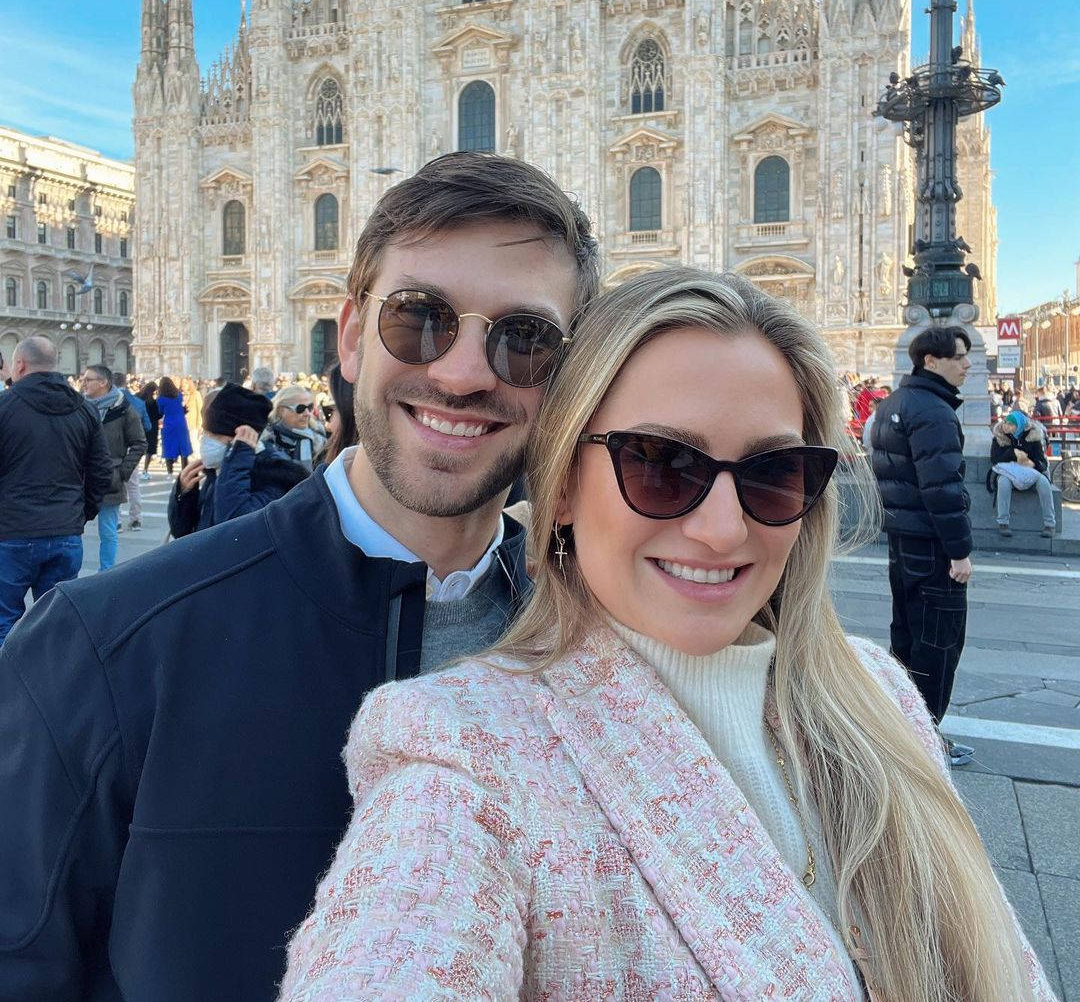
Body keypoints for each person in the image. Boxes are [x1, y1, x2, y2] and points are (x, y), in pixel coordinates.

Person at [280, 269, 1052, 1002]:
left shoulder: (878, 697)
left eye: (774, 472)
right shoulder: (464, 754)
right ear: (563, 487)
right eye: (659, 464)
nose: (722, 531)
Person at [0, 152, 598, 1001]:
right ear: (351, 336)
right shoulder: (102, 651)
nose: (464, 373)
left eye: (526, 338)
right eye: (418, 318)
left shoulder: (604, 663)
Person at [869, 325, 974, 766]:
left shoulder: (893, 403)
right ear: (931, 361)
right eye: (960, 357)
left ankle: (901, 731)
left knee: (907, 638)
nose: (968, 364)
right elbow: (942, 488)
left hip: (903, 540)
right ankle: (925, 745)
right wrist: (960, 551)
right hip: (932, 545)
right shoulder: (933, 411)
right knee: (939, 644)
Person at [0, 337, 113, 645]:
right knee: (57, 624)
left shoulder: (5, 407)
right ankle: (54, 689)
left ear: (20, 365)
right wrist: (81, 514)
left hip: (12, 533)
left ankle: (8, 689)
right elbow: (102, 471)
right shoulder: (85, 409)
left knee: (4, 621)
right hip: (65, 532)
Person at [168, 384, 308, 537]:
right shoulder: (218, 470)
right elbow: (183, 532)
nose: (206, 441)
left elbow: (236, 530)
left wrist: (238, 457)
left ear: (241, 437)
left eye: (214, 436)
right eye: (205, 433)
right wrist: (185, 494)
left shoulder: (274, 476)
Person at [79, 366, 148, 573]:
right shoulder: (80, 408)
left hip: (110, 478)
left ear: (103, 383)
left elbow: (139, 443)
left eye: (88, 380)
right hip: (81, 478)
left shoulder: (124, 410)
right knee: (73, 532)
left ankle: (105, 573)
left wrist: (121, 472)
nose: (83, 383)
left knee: (108, 531)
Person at [989, 410, 1055, 539]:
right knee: (1003, 482)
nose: (1005, 425)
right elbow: (995, 459)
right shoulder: (999, 437)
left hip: (1030, 472)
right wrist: (1013, 453)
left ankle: (1050, 524)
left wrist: (1031, 463)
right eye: (1005, 422)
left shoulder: (1033, 437)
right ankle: (1003, 523)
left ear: (1018, 426)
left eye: (1010, 424)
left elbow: (1041, 462)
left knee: (1044, 482)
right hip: (1009, 472)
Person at [260, 384, 327, 470]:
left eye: (309, 407)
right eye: (300, 408)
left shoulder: (319, 437)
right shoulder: (267, 440)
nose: (307, 414)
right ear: (281, 411)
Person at [119, 381, 152, 529]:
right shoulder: (138, 402)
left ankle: (117, 520)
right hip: (133, 447)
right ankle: (136, 519)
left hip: (114, 448)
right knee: (133, 486)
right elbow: (148, 425)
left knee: (115, 484)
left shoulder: (110, 402)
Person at [157, 375, 192, 475]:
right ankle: (184, 469)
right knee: (183, 447)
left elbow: (160, 412)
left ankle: (170, 471)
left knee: (169, 446)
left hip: (169, 423)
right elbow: (183, 407)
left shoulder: (161, 399)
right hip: (181, 422)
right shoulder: (179, 395)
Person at [138, 380, 160, 477]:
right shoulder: (153, 402)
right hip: (151, 426)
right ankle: (145, 469)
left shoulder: (138, 397)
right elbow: (157, 415)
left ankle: (136, 468)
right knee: (149, 450)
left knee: (139, 447)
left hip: (140, 425)